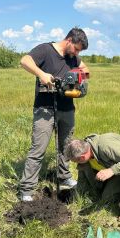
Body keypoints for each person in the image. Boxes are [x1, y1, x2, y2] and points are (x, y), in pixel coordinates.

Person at [19, 27, 89, 201]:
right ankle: (27, 189)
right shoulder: (45, 50)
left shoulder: (73, 58)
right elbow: (25, 61)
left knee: (66, 146)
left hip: (67, 109)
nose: (77, 53)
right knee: (38, 148)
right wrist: (42, 74)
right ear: (69, 41)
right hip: (45, 109)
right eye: (77, 48)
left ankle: (64, 176)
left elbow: (86, 70)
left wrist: (79, 77)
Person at [64, 133, 120, 212]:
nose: (75, 163)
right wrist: (77, 197)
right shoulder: (86, 152)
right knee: (107, 197)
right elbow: (82, 181)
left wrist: (111, 171)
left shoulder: (105, 147)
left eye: (75, 161)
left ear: (82, 157)